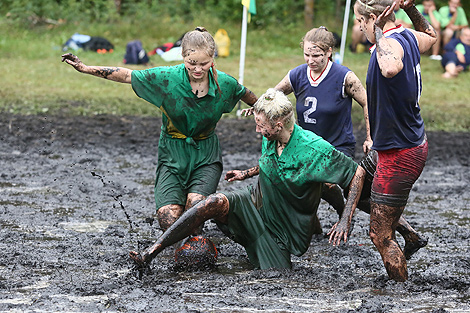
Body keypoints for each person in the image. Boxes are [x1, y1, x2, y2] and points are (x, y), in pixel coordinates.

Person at [129, 88, 366, 269]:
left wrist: (345, 218)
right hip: (255, 201)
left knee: (275, 276)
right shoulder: (271, 135)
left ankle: (264, 247)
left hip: (282, 230)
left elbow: (358, 173)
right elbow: (274, 163)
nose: (257, 131)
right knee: (213, 202)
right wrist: (247, 173)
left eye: (261, 126)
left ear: (279, 124)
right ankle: (151, 252)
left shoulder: (315, 150)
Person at [61, 27, 258, 237]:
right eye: (192, 63)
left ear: (212, 59)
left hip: (205, 153)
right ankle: (187, 233)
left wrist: (260, 110)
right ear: (183, 56)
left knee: (195, 207)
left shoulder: (225, 84)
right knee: (168, 219)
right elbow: (127, 75)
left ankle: (206, 239)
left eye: (204, 63)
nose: (198, 69)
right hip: (171, 153)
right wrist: (85, 68)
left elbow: (246, 94)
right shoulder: (166, 78)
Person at [346, 0, 437, 282]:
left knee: (379, 234)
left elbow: (390, 68)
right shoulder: (408, 35)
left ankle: (400, 292)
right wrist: (411, 8)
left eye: (361, 22)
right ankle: (410, 236)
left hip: (401, 153)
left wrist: (380, 32)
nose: (359, 28)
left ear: (372, 18)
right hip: (396, 143)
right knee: (358, 182)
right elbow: (432, 36)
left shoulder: (391, 44)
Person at [274, 26, 372, 228]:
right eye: (307, 55)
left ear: (329, 52)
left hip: (337, 147)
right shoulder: (298, 74)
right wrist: (260, 107)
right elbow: (273, 95)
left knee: (326, 184)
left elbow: (368, 102)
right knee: (293, 182)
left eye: (317, 55)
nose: (310, 60)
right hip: (308, 147)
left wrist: (370, 137)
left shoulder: (344, 77)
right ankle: (312, 225)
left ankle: (343, 215)